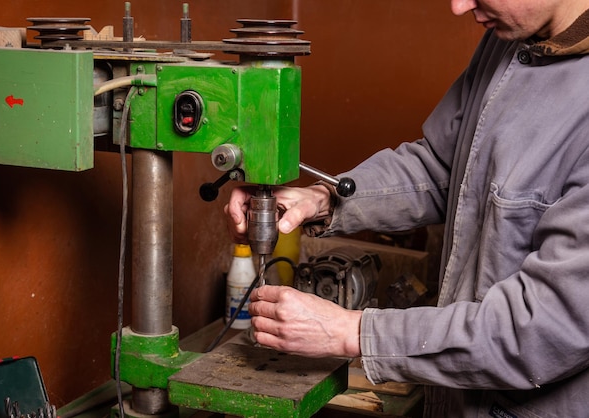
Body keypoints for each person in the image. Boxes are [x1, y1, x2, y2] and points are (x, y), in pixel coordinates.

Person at [225, 0, 589, 417]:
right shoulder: (509, 40)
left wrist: (354, 332)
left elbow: (542, 328)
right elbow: (444, 167)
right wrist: (324, 199)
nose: (459, 7)